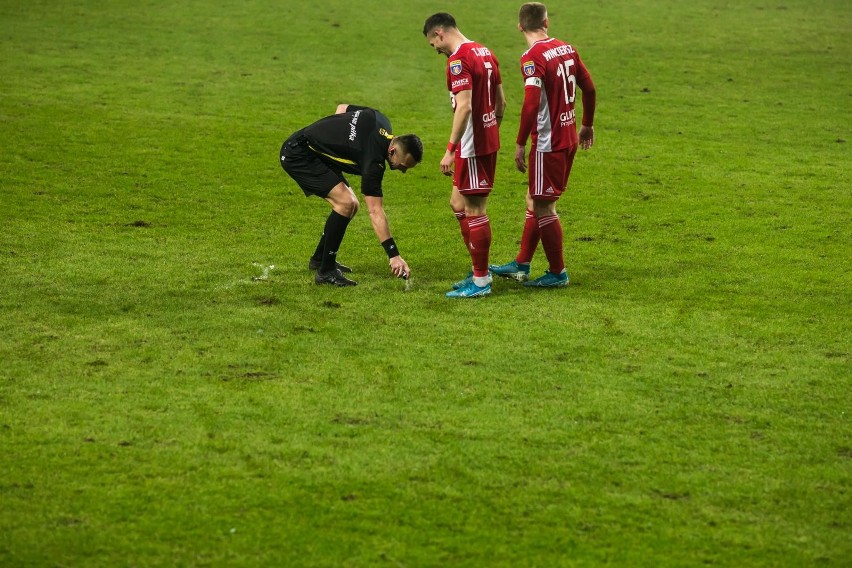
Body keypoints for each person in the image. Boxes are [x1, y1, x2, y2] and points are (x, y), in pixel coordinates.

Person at [490, 2, 596, 288]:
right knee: (535, 200)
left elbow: (531, 103)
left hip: (548, 143)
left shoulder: (531, 58)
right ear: (546, 23)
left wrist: (520, 143)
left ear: (520, 26)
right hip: (570, 136)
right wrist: (587, 124)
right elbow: (590, 87)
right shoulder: (567, 48)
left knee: (544, 207)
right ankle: (522, 263)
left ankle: (557, 273)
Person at [279, 104, 423, 286]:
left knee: (352, 205)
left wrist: (337, 139)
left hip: (312, 149)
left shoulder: (380, 119)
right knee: (346, 204)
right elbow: (375, 211)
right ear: (392, 151)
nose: (402, 171)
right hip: (298, 155)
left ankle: (319, 260)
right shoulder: (374, 163)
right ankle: (326, 272)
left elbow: (342, 109)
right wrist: (394, 255)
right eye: (402, 165)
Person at [423, 13, 507, 298]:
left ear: (439, 33)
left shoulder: (458, 60)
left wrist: (450, 150)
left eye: (432, 43)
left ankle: (481, 282)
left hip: (471, 146)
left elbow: (465, 106)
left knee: (475, 210)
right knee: (457, 202)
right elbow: (501, 102)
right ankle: (476, 270)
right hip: (483, 139)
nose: (435, 50)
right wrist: (492, 128)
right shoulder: (485, 51)